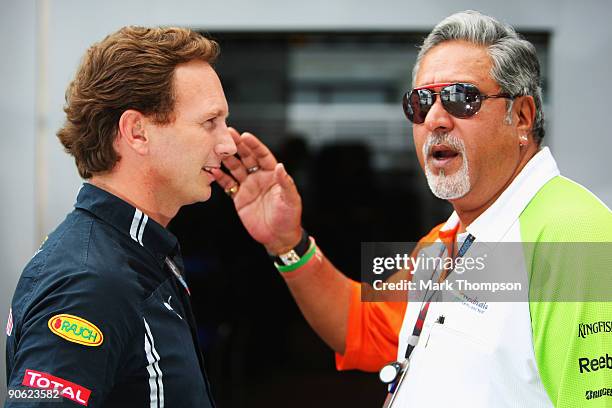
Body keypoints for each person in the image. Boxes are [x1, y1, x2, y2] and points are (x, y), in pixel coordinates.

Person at [213, 10, 612, 407]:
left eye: (461, 98)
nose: (436, 118)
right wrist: (288, 242)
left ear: (521, 116)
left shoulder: (574, 236)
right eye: (421, 102)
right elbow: (361, 326)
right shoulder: (450, 239)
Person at [5, 26, 236, 407]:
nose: (228, 143)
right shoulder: (89, 279)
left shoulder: (134, 250)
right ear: (137, 132)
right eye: (209, 123)